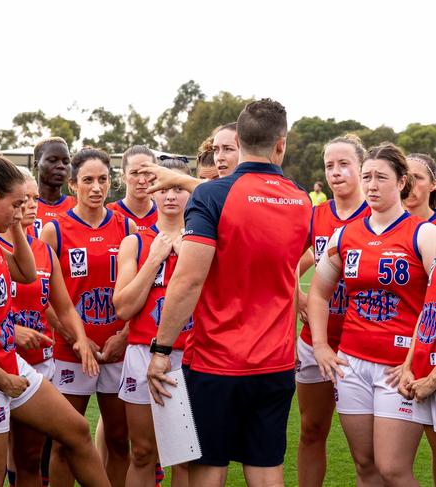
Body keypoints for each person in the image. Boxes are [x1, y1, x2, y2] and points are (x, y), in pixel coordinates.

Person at [147, 99, 312, 486]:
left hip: (216, 361)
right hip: (275, 361)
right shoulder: (302, 200)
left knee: (210, 467)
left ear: (239, 141)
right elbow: (290, 266)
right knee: (266, 466)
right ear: (281, 144)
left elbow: (187, 280)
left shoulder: (212, 196)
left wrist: (160, 350)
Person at [308, 143, 436, 486]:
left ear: (401, 181)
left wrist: (418, 361)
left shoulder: (423, 233)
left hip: (400, 368)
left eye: (381, 177)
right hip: (351, 365)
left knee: (393, 468)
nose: (372, 185)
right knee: (365, 466)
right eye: (367, 177)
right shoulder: (345, 234)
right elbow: (319, 292)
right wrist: (320, 345)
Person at [0, 167, 101, 487]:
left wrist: (79, 339)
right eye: (23, 199)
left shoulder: (42, 250)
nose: (32, 205)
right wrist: (12, 330)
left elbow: (63, 306)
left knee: (29, 458)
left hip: (39, 367)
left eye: (35, 198)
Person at [42, 148, 137, 487]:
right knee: (64, 442)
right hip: (71, 353)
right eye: (88, 181)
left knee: (118, 441)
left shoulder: (126, 227)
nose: (96, 188)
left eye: (103, 180)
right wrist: (73, 338)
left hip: (115, 351)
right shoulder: (55, 231)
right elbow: (43, 297)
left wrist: (124, 335)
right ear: (72, 185)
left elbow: (141, 291)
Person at [295, 134, 370, 487]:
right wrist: (298, 297)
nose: (336, 173)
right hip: (315, 340)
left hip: (363, 345)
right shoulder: (316, 215)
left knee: (367, 451)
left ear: (361, 168)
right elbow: (287, 263)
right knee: (311, 430)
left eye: (344, 165)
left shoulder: (377, 214)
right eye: (329, 166)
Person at [114, 157, 192, 487]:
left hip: (186, 356)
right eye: (164, 189)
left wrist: (184, 253)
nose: (171, 196)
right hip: (141, 353)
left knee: (183, 455)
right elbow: (123, 307)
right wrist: (156, 257)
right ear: (153, 193)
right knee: (143, 452)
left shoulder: (202, 243)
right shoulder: (136, 241)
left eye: (179, 188)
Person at [30, 137, 76, 238]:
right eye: (52, 160)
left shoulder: (77, 206)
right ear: (36, 164)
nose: (61, 166)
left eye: (66, 161)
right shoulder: (22, 206)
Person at [107, 146, 158, 231]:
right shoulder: (109, 213)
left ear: (155, 175)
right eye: (134, 173)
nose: (142, 181)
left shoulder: (164, 214)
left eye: (147, 173)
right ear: (123, 177)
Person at [403, 153, 436, 222]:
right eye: (405, 177)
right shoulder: (386, 223)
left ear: (433, 184)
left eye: (417, 177)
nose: (409, 183)